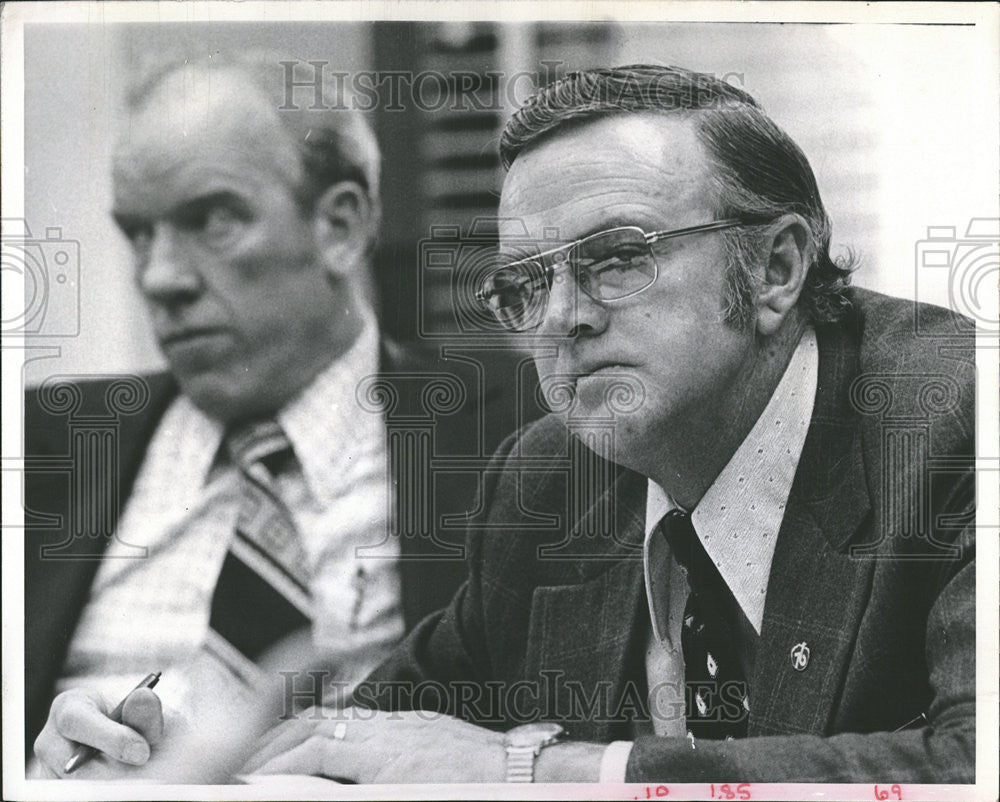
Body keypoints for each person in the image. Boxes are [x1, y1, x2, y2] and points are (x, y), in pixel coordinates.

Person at [240, 65, 976, 784]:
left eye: (619, 258)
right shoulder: (545, 486)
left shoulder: (960, 424)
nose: (563, 318)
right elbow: (369, 749)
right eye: (524, 283)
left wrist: (541, 770)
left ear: (776, 268)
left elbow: (974, 764)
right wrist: (159, 762)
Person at [26, 52, 536, 778]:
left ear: (341, 227)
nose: (159, 276)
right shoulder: (39, 442)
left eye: (213, 220)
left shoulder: (519, 432)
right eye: (139, 233)